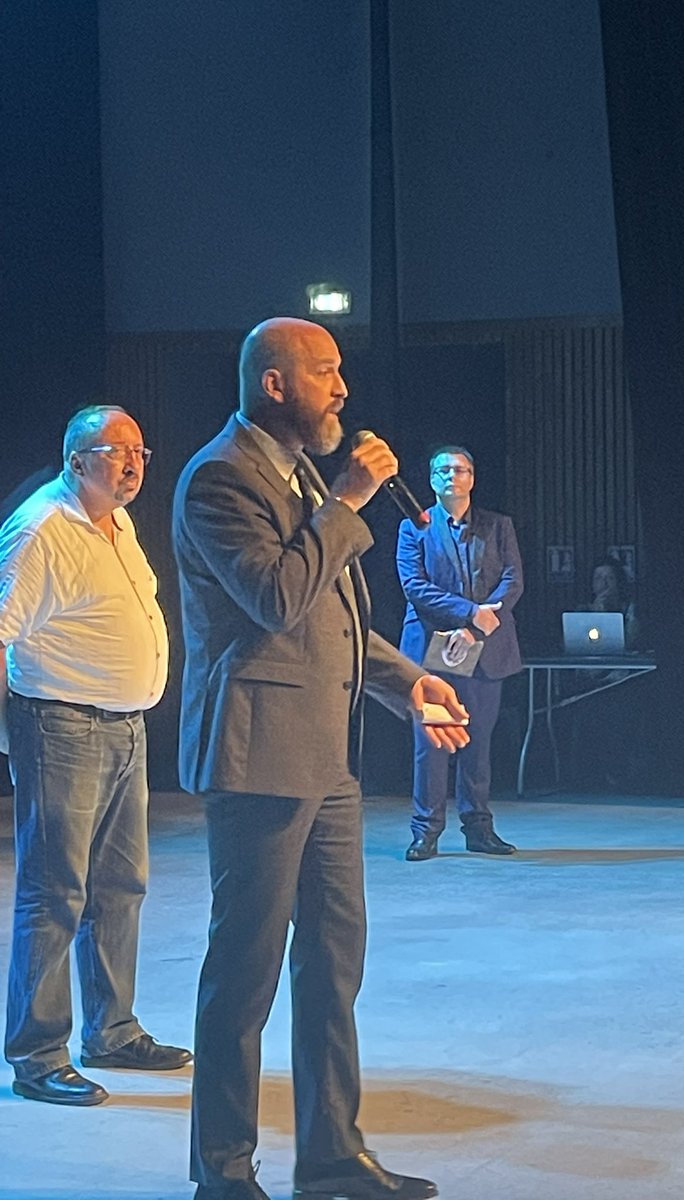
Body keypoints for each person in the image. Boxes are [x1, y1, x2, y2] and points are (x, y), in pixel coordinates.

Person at [173, 317, 470, 1200]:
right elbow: (275, 597)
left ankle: (332, 1154)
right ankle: (223, 1176)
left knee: (335, 963)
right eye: (326, 371)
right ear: (275, 383)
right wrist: (345, 503)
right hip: (258, 757)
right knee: (246, 974)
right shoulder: (218, 480)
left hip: (328, 762)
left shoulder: (302, 475)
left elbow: (336, 623)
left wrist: (411, 683)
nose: (343, 387)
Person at [0, 405, 191, 1108]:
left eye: (141, 450)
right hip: (61, 728)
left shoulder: (116, 520)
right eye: (117, 452)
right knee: (55, 895)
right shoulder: (42, 529)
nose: (134, 464)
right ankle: (37, 1054)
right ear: (76, 459)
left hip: (124, 728)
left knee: (119, 889)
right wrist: (9, 737)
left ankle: (112, 1031)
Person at [396, 445, 523, 861]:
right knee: (430, 743)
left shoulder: (498, 526)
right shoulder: (413, 528)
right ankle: (426, 831)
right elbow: (415, 587)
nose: (454, 475)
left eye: (462, 469)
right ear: (432, 479)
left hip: (482, 648)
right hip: (434, 647)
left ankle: (478, 828)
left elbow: (512, 580)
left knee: (478, 741)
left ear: (473, 477)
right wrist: (469, 613)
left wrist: (474, 630)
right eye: (444, 470)